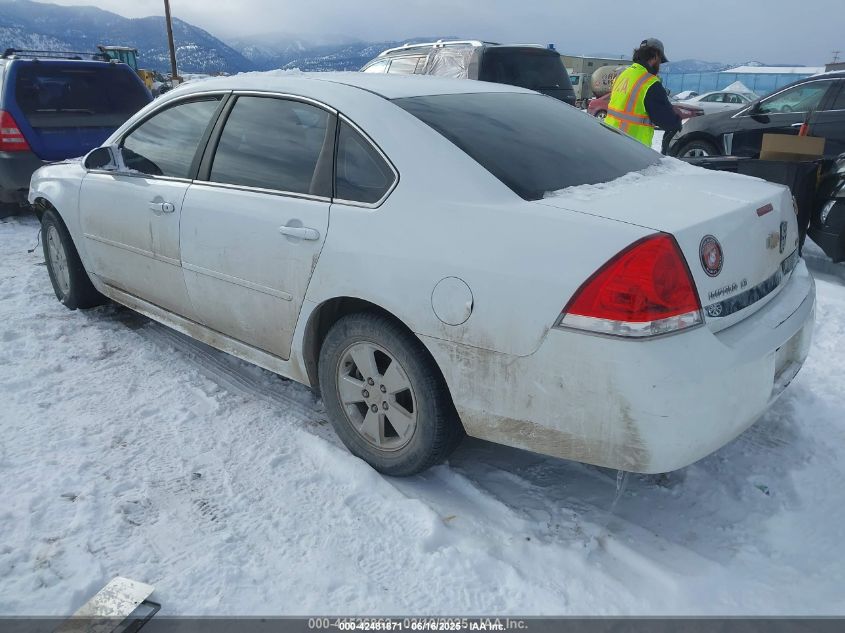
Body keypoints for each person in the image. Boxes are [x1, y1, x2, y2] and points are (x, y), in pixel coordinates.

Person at [604, 38, 681, 149]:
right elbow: (666, 120)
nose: (659, 65)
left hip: (610, 139)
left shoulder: (623, 74)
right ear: (655, 56)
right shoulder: (650, 83)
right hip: (633, 148)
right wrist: (677, 121)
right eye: (660, 60)